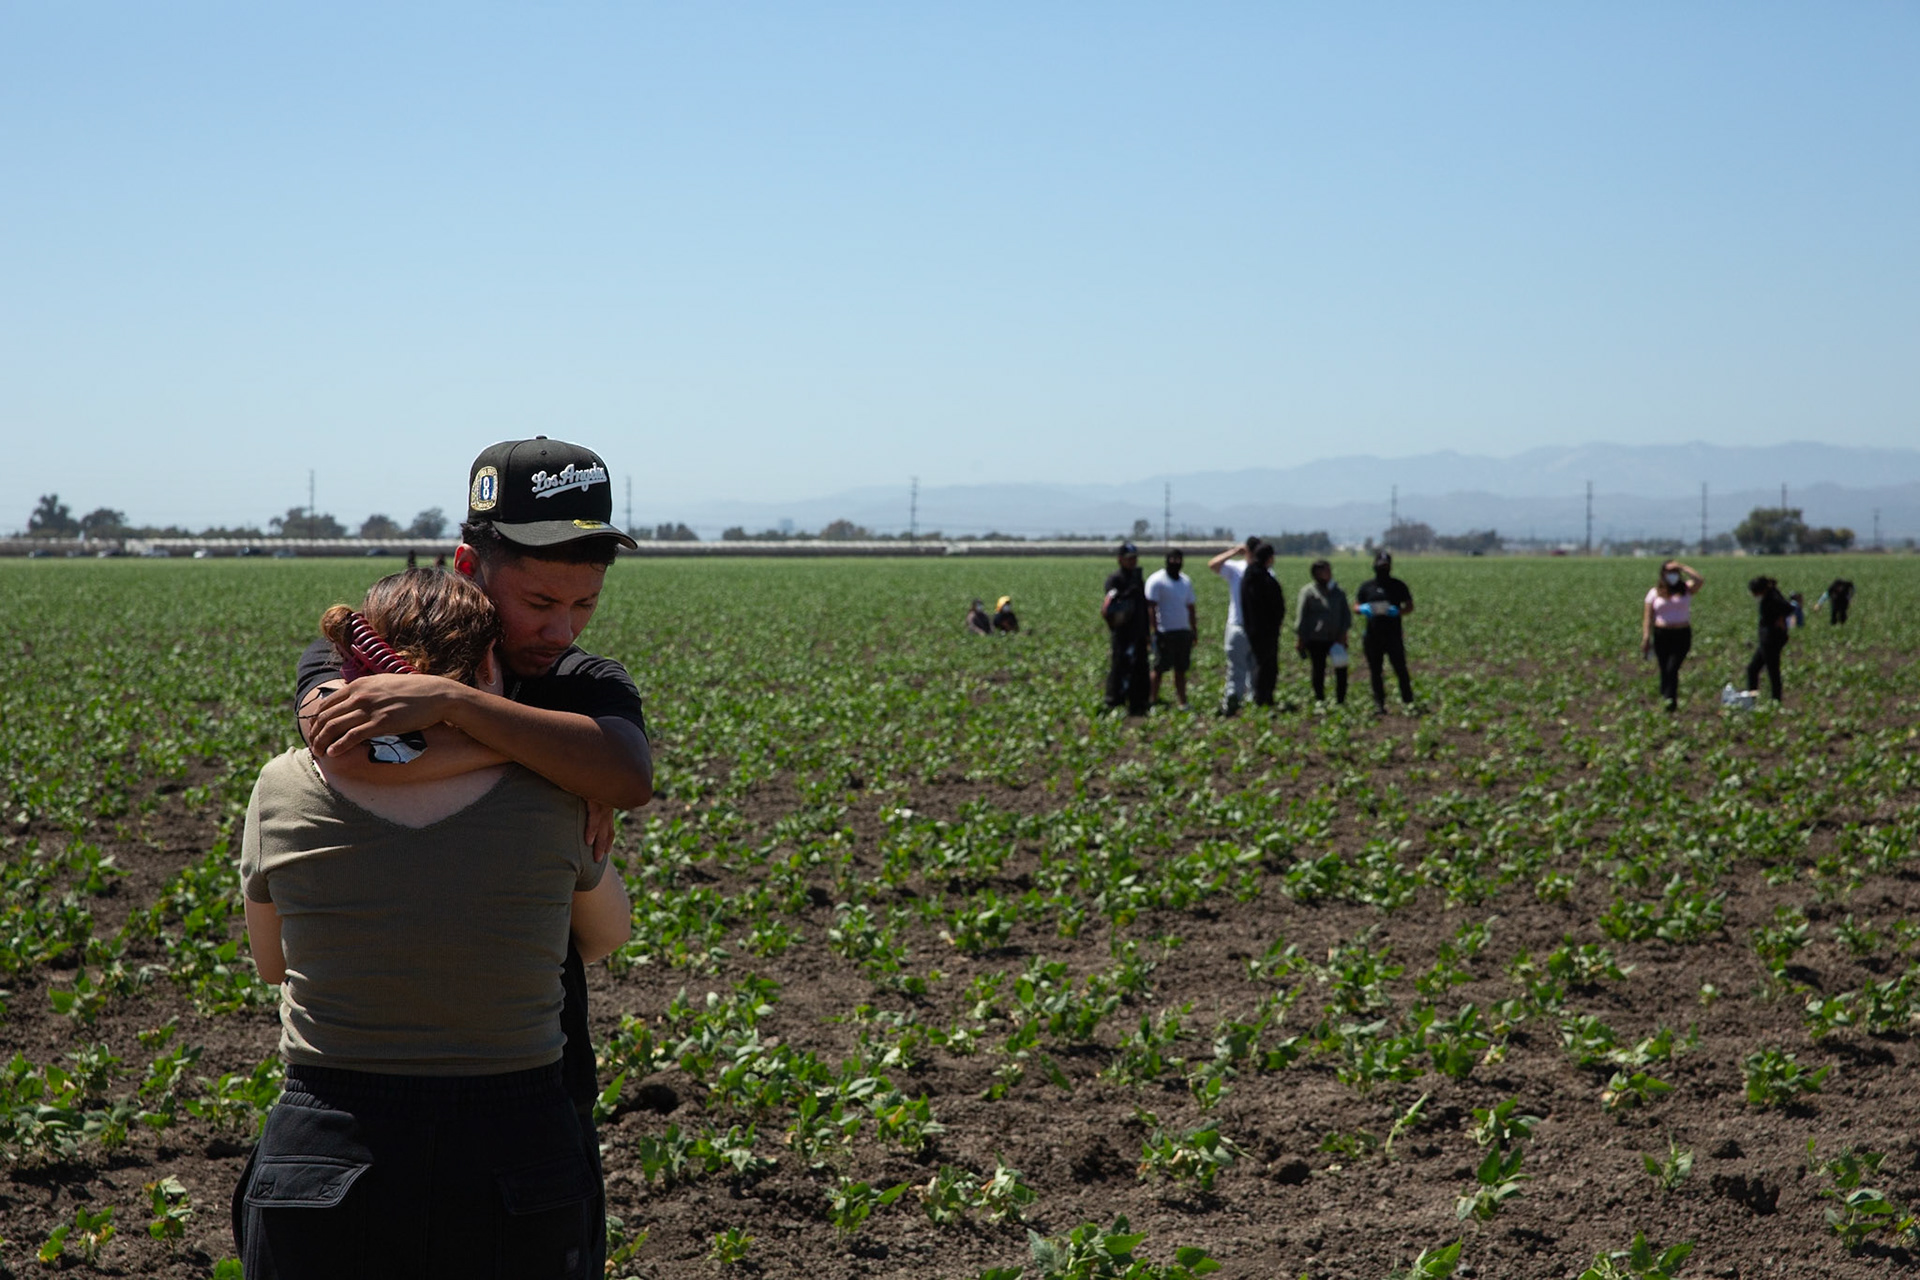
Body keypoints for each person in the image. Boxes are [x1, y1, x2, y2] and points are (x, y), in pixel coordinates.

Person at [294, 437, 652, 1276]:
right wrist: (550, 760)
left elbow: (627, 773)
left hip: (538, 1078)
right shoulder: (357, 646)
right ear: (468, 563)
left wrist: (449, 705)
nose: (559, 630)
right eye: (538, 600)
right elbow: (342, 746)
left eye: (585, 606)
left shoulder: (582, 678)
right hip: (362, 1092)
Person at [1354, 551, 1416, 713]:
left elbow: (1410, 606)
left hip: (1393, 635)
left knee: (1400, 669)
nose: (1383, 568)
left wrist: (1399, 612)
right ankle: (1379, 704)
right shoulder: (1366, 587)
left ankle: (1408, 700)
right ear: (1375, 566)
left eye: (1386, 566)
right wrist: (1362, 609)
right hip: (1373, 635)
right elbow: (1356, 606)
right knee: (1376, 671)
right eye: (1381, 565)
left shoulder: (1398, 585)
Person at [1640, 559, 1704, 711]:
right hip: (1662, 634)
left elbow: (1699, 580)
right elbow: (1648, 617)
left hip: (1681, 634)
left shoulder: (1686, 589)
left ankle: (1670, 701)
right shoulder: (1654, 593)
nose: (1672, 575)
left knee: (1672, 667)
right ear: (1663, 574)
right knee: (1664, 668)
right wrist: (1646, 637)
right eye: (1669, 572)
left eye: (1675, 572)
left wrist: (1682, 566)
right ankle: (1665, 696)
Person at [1208, 537, 1261, 716]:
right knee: (1236, 668)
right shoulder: (1236, 568)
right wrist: (1233, 551)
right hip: (1237, 625)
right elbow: (1213, 564)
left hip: (1256, 628)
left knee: (1255, 668)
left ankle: (1253, 700)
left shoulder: (1265, 572)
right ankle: (1232, 701)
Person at [1100, 542, 1151, 715]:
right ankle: (1115, 700)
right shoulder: (1115, 579)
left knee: (1140, 667)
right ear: (1120, 559)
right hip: (1122, 632)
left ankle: (1139, 701)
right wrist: (1128, 593)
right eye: (1129, 559)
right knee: (1120, 666)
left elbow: (1144, 607)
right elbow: (1111, 604)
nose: (1133, 562)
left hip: (1139, 631)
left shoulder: (1138, 579)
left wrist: (1147, 631)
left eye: (1135, 558)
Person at [1144, 549, 1198, 709]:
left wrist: (1194, 629)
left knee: (1181, 669)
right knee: (1159, 668)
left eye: (1178, 559)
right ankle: (1152, 700)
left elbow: (1191, 607)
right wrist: (1154, 630)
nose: (1175, 562)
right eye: (1172, 559)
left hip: (1183, 631)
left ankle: (1182, 702)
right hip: (1164, 632)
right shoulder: (1157, 580)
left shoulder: (1185, 581)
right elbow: (1151, 608)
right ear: (1166, 560)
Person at [1294, 558, 1351, 706]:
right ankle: (1320, 699)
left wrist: (1343, 635)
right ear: (1316, 573)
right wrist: (1301, 638)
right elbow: (1302, 616)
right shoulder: (1308, 592)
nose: (1329, 573)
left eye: (1329, 570)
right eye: (1325, 571)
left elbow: (1346, 615)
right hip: (1316, 638)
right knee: (1318, 670)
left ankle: (1341, 699)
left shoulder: (1338, 592)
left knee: (1341, 667)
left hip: (1335, 638)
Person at [1240, 542, 1285, 708]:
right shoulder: (1262, 578)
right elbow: (1273, 605)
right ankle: (1263, 698)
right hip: (1265, 630)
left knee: (1262, 664)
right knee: (1267, 666)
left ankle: (1262, 697)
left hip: (1253, 629)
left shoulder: (1250, 575)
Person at [1745, 574, 1792, 701]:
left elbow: (1789, 608)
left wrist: (1781, 618)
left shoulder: (1772, 597)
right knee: (1753, 669)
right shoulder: (1771, 593)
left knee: (1772, 671)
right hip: (1767, 640)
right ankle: (1753, 697)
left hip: (1772, 639)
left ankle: (1776, 699)